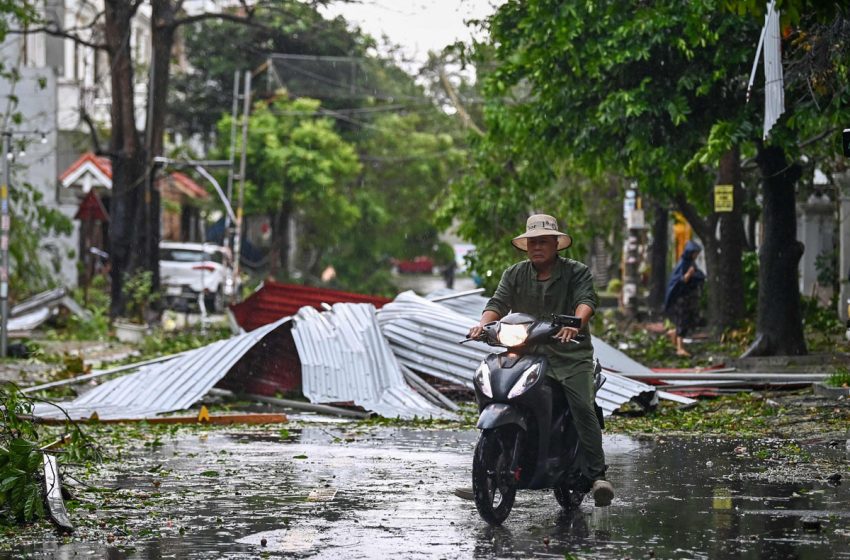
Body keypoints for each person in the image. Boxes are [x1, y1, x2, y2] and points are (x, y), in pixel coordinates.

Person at [466, 213, 614, 507]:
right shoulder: (515, 273)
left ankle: (597, 475)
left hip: (569, 354)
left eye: (543, 242)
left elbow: (587, 301)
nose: (537, 247)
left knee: (582, 405)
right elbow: (497, 303)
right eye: (532, 242)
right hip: (527, 352)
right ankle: (488, 468)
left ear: (556, 244)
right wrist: (483, 324)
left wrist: (576, 322)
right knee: (495, 389)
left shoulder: (577, 272)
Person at [663, 240, 705, 357]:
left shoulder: (691, 263)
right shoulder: (683, 264)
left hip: (689, 298)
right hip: (682, 299)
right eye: (695, 253)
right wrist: (689, 274)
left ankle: (674, 334)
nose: (696, 256)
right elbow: (680, 281)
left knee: (689, 321)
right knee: (683, 321)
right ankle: (680, 348)